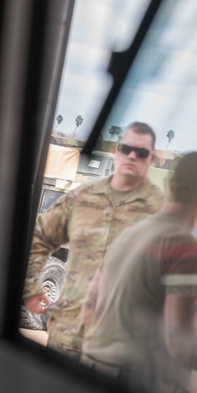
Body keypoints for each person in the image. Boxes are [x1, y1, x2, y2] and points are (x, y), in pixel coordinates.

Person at [79, 152, 197, 393]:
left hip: (91, 378)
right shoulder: (181, 247)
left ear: (169, 186)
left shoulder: (128, 235)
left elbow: (89, 309)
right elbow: (182, 344)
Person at [23, 121, 164, 357]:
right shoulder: (83, 197)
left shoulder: (159, 213)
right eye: (125, 149)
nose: (131, 156)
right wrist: (31, 287)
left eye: (140, 153)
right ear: (115, 152)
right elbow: (40, 236)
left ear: (151, 159)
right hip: (67, 335)